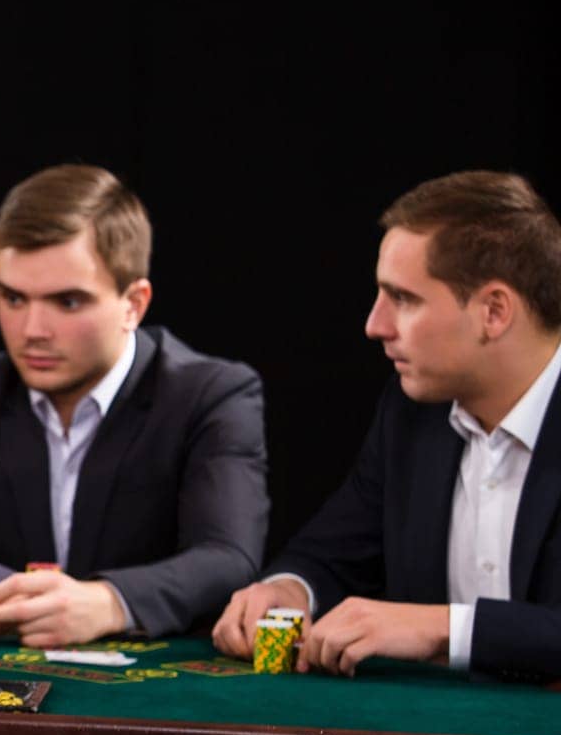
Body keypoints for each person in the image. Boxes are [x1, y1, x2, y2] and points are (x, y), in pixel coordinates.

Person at [0, 165, 268, 643]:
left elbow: (228, 557)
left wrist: (109, 603)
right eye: (13, 298)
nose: (33, 329)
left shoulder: (210, 394)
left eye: (67, 302)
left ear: (134, 304)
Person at [214, 170, 561, 682]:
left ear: (493, 311)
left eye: (403, 299)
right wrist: (288, 589)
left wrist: (442, 629)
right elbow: (332, 552)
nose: (375, 325)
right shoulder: (410, 415)